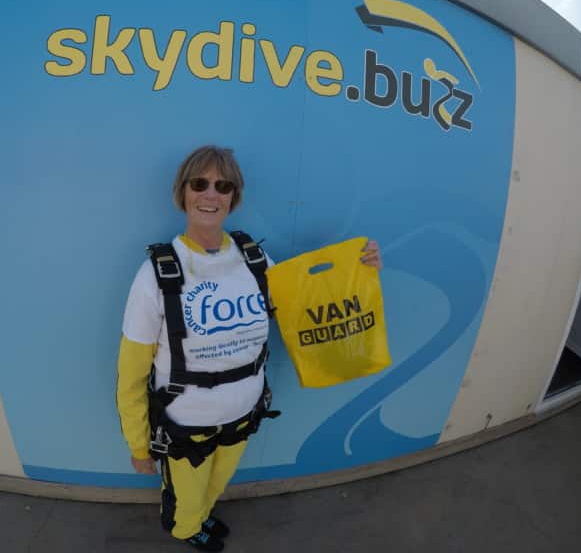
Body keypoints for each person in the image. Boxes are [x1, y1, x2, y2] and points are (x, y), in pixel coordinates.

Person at [116, 145, 382, 551]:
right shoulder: (156, 273)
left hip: (244, 415)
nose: (211, 194)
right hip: (186, 425)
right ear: (183, 192)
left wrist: (358, 269)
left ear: (233, 197)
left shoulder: (253, 258)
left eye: (223, 186)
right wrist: (139, 446)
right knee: (186, 497)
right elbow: (131, 373)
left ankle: (202, 517)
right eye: (199, 183)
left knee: (218, 484)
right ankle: (187, 529)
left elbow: (305, 305)